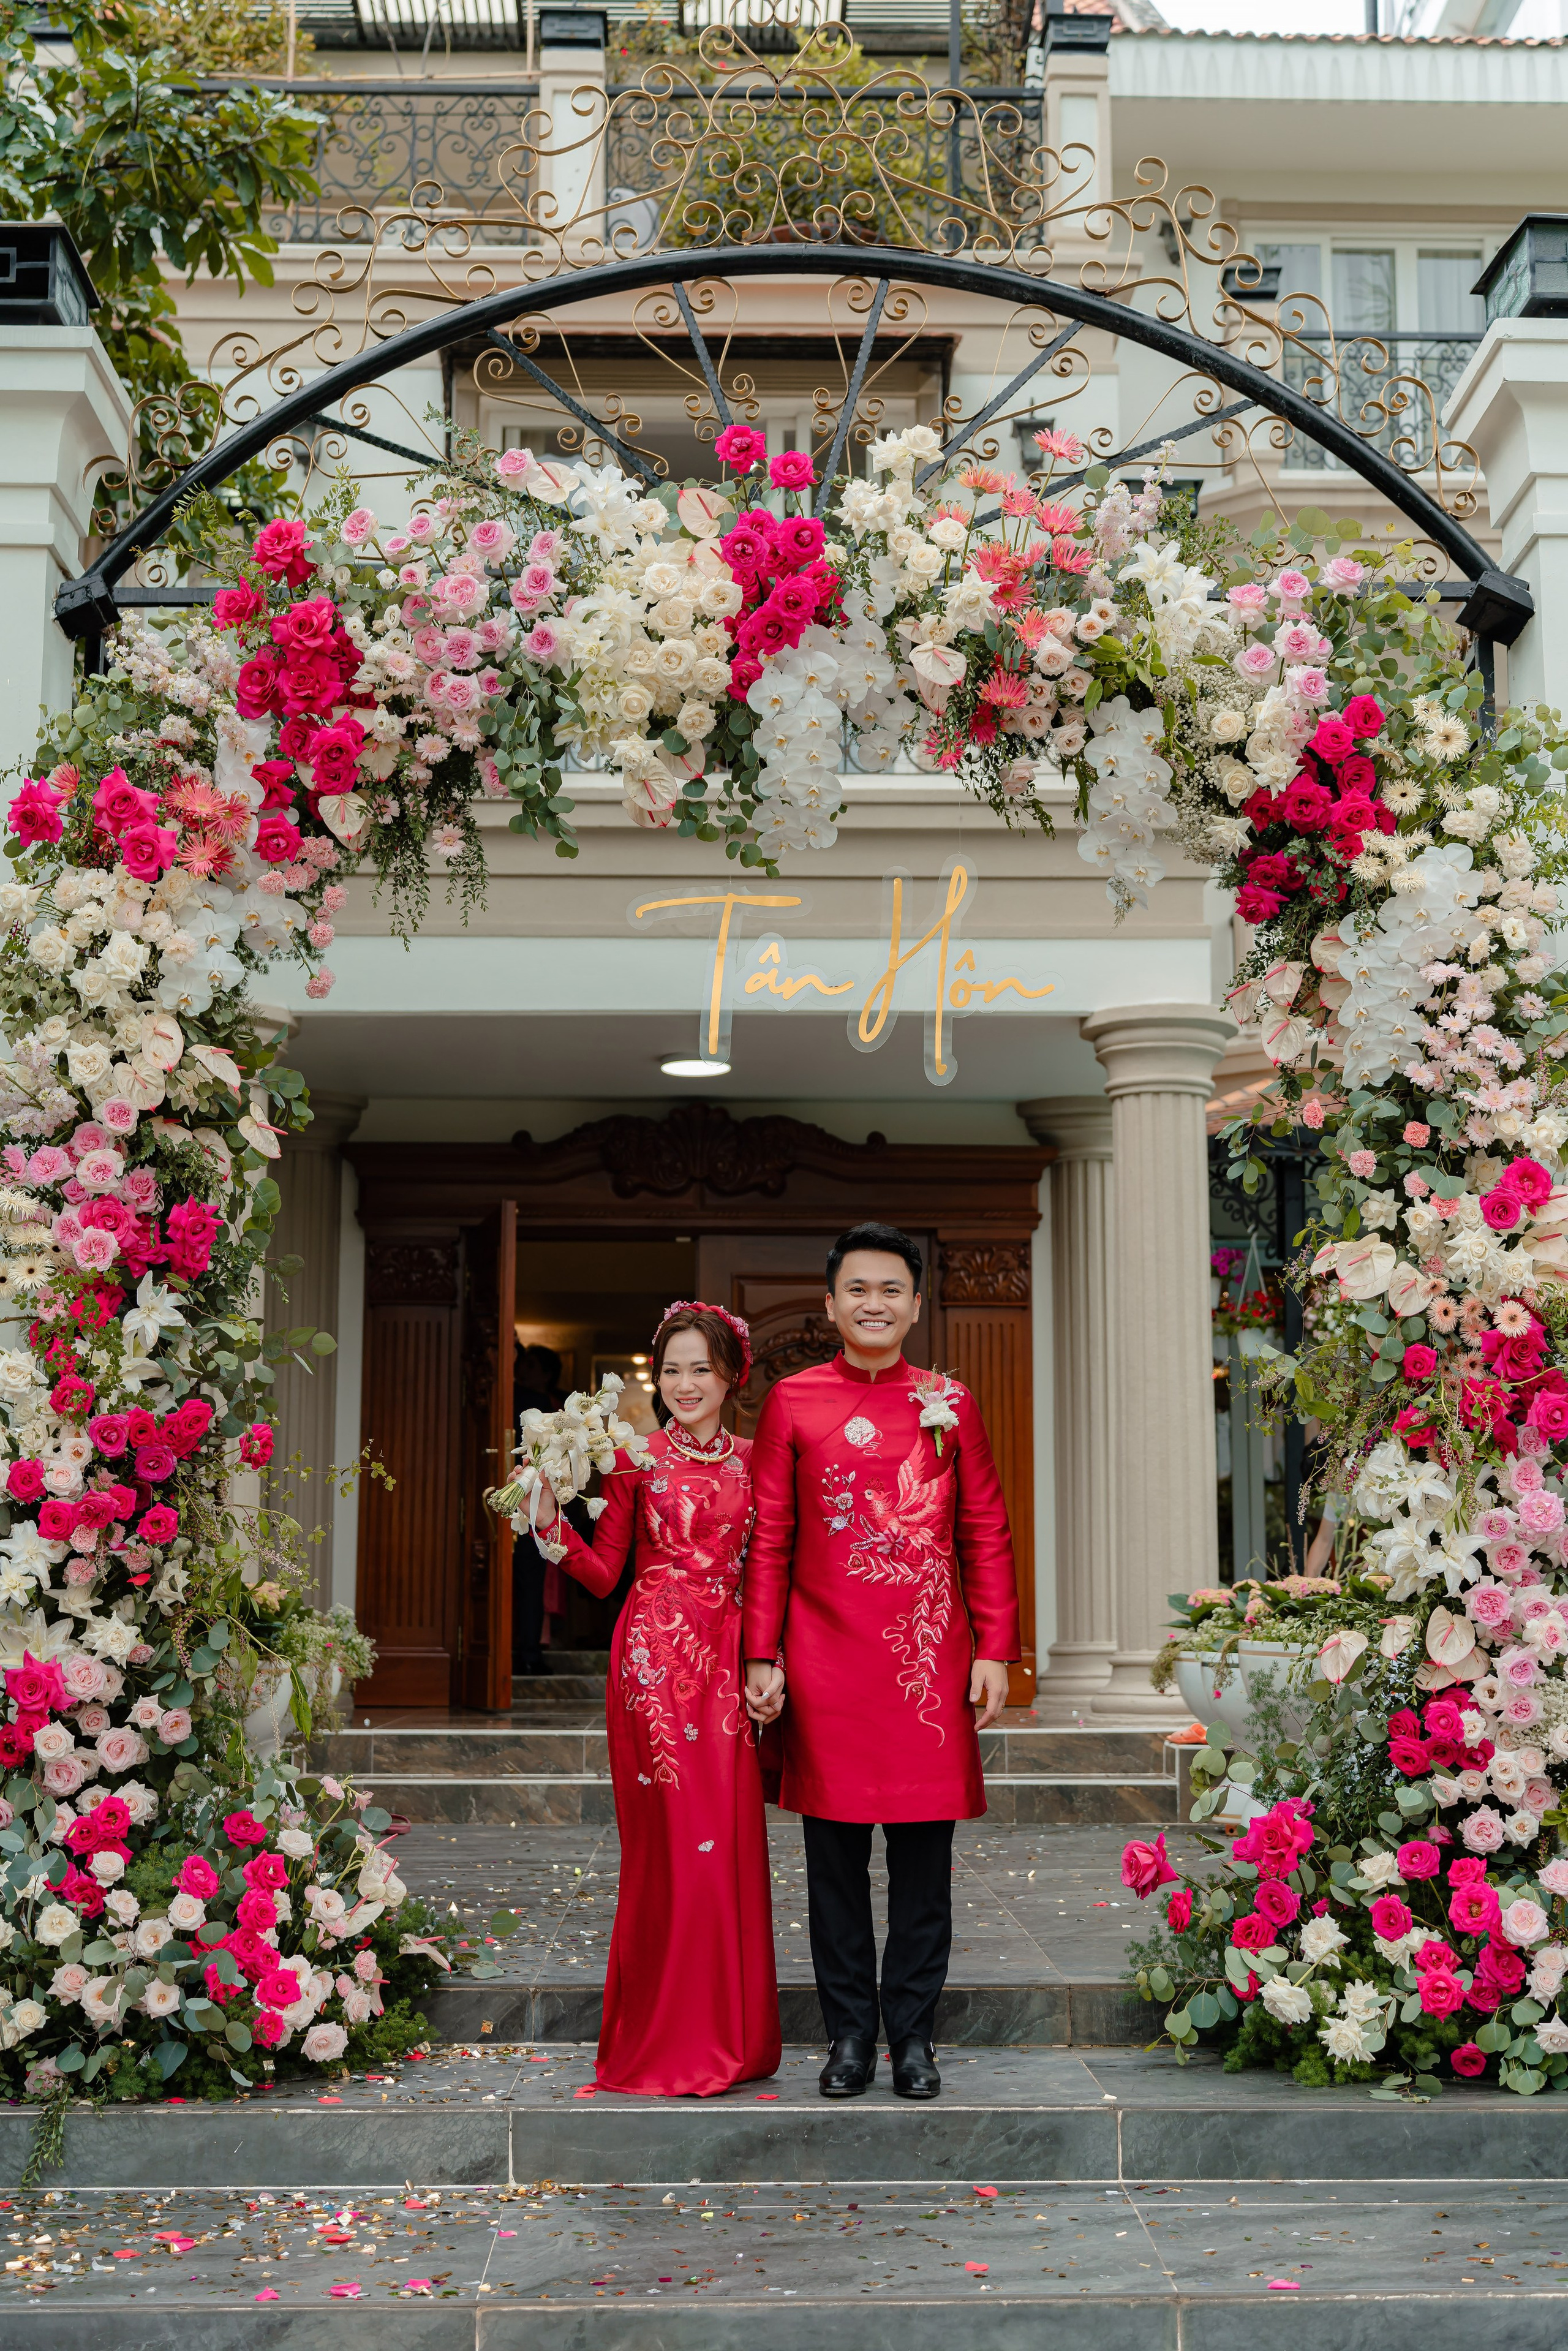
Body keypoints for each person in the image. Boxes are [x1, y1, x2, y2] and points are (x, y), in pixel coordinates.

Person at [744, 1221, 1019, 2103]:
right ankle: (850, 2037)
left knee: (922, 1863)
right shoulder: (793, 1399)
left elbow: (985, 1527)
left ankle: (914, 2037)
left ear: (914, 1303)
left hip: (926, 1664)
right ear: (830, 1305)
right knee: (832, 1863)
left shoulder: (951, 1400)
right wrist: (762, 1651)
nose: (874, 1302)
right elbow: (771, 1540)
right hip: (824, 1662)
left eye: (890, 1288)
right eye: (857, 1288)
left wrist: (996, 1648)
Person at [533, 1300, 782, 2097]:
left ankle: (730, 2039)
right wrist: (549, 1526)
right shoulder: (633, 1457)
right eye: (670, 1369)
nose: (683, 1383)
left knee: (730, 1841)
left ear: (731, 1376)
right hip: (651, 1660)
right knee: (674, 1846)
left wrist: (766, 1660)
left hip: (730, 1660)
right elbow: (606, 1575)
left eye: (699, 1369)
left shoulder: (759, 1460)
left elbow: (774, 1569)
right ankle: (665, 2038)